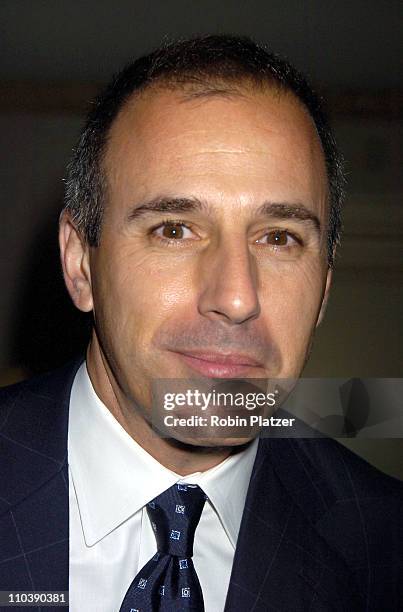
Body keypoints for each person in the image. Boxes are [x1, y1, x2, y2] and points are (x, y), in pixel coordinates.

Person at [0, 35, 401, 612]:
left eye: (279, 238)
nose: (237, 298)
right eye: (174, 229)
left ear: (324, 291)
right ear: (80, 262)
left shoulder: (385, 547)